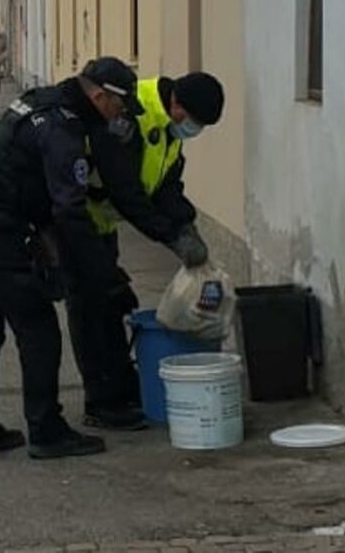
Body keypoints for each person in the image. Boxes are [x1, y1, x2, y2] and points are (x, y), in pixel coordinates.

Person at [0, 56, 145, 460]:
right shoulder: (62, 126)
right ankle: (46, 429)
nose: (119, 115)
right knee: (39, 331)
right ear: (99, 95)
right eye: (118, 106)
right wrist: (104, 273)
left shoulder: (43, 101)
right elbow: (68, 208)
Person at [65, 72, 226, 430]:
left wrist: (185, 225)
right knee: (92, 308)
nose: (194, 130)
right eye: (195, 122)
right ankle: (101, 402)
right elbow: (126, 193)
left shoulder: (169, 128)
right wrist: (170, 235)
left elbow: (166, 184)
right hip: (77, 220)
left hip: (101, 225)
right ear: (178, 106)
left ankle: (121, 390)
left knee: (117, 304)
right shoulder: (130, 114)